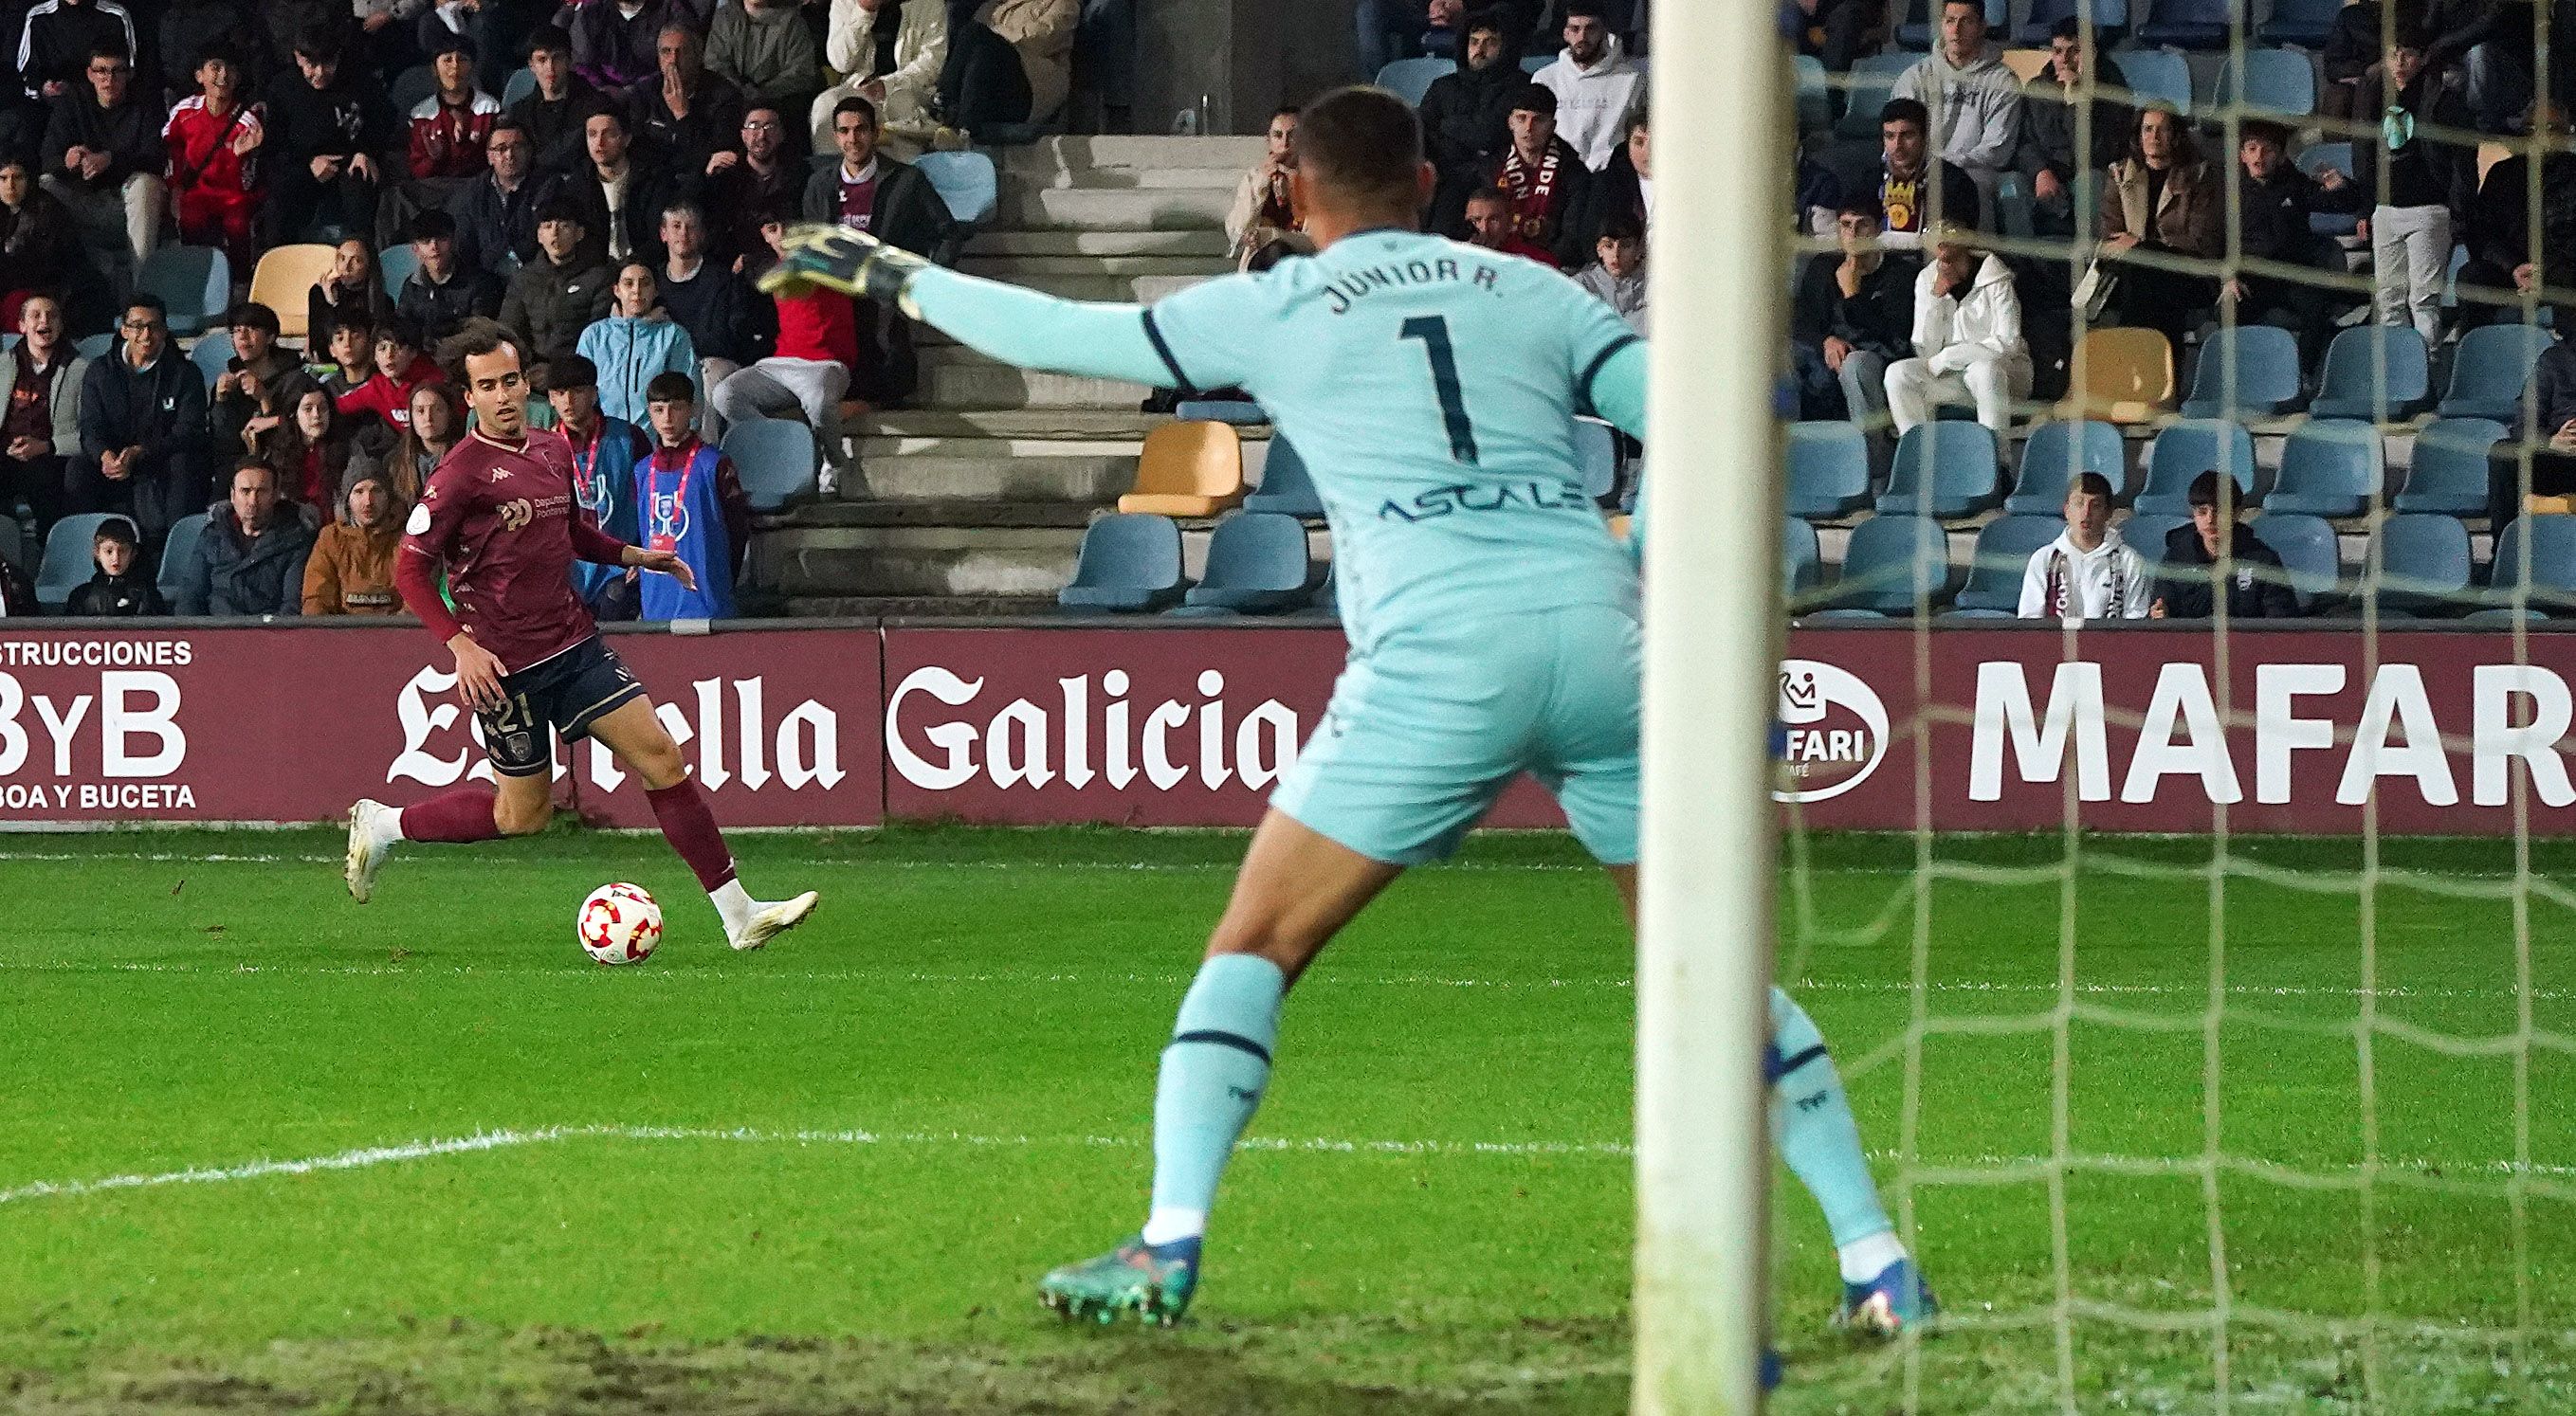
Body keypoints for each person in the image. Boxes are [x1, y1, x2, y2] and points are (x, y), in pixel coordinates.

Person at [757, 82, 1934, 1337]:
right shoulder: (1533, 289)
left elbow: (1056, 333)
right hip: (1603, 639)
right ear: (1427, 184)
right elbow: (1707, 427)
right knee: (1702, 968)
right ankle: (1876, 1259)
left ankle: (1167, 1243)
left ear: (1293, 194)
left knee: (1253, 945)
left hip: (1437, 657)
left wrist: (889, 273)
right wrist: (1645, 551)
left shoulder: (1277, 302)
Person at [341, 318, 819, 955]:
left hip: (573, 643)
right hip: (504, 668)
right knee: (523, 817)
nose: (506, 394)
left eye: (512, 380)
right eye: (489, 386)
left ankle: (739, 915)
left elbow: (570, 533)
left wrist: (632, 555)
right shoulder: (458, 475)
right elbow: (409, 568)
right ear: (470, 397)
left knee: (662, 759)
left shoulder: (550, 448)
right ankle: (386, 823)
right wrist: (460, 644)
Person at [799, 95, 954, 402]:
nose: (852, 139)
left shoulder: (907, 180)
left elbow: (947, 232)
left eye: (860, 130)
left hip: (886, 287)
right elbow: (811, 240)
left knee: (884, 346)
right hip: (838, 289)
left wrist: (932, 279)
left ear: (876, 133)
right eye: (844, 131)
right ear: (835, 136)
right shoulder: (820, 185)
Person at [2354, 26, 2476, 345]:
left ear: (2422, 59)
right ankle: (2397, 373)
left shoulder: (2444, 99)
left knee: (2423, 301)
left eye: (2407, 54)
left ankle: (2428, 368)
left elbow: (2463, 161)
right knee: (2388, 301)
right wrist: (2366, 207)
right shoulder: (2372, 95)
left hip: (2428, 209)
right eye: (2393, 53)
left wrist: (2457, 210)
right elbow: (2363, 154)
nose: (2399, 61)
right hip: (2386, 209)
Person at [2224, 119, 2366, 369]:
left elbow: (2347, 203)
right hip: (2252, 278)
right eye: (2252, 149)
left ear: (2279, 156)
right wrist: (2228, 277)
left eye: (2267, 150)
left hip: (2293, 275)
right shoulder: (2229, 192)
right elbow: (2218, 241)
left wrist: (2340, 186)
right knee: (2227, 310)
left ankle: (2302, 376)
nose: (2259, 156)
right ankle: (2240, 378)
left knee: (2317, 307)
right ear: (2242, 155)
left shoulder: (2295, 185)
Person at [72, 294, 209, 542]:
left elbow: (189, 431)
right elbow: (90, 427)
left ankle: (175, 547)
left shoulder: (185, 374)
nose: (146, 335)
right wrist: (104, 455)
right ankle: (86, 548)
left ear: (165, 331)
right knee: (78, 470)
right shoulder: (100, 371)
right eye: (137, 326)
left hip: (160, 459)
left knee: (185, 462)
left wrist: (140, 452)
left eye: (154, 327)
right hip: (113, 464)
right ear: (124, 330)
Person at [1884, 227, 2029, 435]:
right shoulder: (1927, 278)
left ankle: (1997, 459)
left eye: (1949, 230)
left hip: (2005, 377)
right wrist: (1936, 298)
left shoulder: (1996, 277)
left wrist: (1949, 357)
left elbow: (2008, 344)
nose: (1941, 237)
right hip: (1951, 378)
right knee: (1898, 374)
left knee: (1984, 370)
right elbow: (1926, 351)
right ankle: (1916, 454)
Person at [264, 27, 401, 245]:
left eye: (327, 64)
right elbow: (276, 144)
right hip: (304, 165)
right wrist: (308, 163)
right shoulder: (282, 88)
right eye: (311, 65)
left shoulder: (359, 80)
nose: (319, 73)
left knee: (362, 186)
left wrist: (366, 151)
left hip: (350, 162)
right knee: (278, 201)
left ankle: (363, 262)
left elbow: (384, 120)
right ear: (298, 58)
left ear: (337, 57)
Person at [714, 222, 858, 427]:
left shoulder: (828, 265)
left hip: (825, 365)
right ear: (765, 236)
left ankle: (836, 460)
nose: (782, 236)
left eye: (788, 229)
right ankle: (781, 442)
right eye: (773, 230)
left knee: (817, 402)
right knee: (724, 394)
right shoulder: (772, 272)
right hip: (781, 364)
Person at [40, 43, 165, 268]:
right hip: (84, 198)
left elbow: (155, 158)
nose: (109, 79)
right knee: (46, 184)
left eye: (117, 70)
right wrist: (68, 161)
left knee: (146, 183)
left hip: (126, 199)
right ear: (90, 74)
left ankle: (142, 291)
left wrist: (110, 159)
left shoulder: (144, 105)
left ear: (129, 74)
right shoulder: (73, 102)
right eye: (101, 70)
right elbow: (47, 157)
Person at [632, 371, 745, 620]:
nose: (668, 418)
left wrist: (724, 579)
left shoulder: (714, 464)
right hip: (657, 600)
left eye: (677, 408)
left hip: (706, 597)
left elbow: (737, 531)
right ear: (649, 413)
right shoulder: (641, 470)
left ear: (693, 410)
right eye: (659, 409)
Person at [1791, 201, 1912, 431]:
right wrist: (1825, 341)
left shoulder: (1900, 274)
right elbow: (1801, 319)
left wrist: (1852, 297)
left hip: (1875, 359)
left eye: (1862, 225)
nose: (1853, 233)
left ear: (1877, 229)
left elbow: (1896, 342)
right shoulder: (1823, 266)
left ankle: (1869, 460)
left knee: (1854, 365)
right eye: (1846, 225)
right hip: (1825, 359)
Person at [2454, 102, 2576, 328]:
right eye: (2531, 129)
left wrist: (2547, 270)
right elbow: (2481, 233)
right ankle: (2477, 351)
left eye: (2549, 127)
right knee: (2472, 277)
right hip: (2512, 271)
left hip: (2562, 272)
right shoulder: (2502, 175)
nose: (2540, 136)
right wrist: (2513, 265)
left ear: (2566, 131)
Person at [545, 353, 650, 614]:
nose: (568, 401)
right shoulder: (541, 449)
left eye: (578, 391)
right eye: (560, 392)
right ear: (551, 398)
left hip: (619, 568)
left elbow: (652, 500)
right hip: (566, 572)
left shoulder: (628, 438)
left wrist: (644, 556)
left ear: (594, 394)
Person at [1892, 0, 2021, 209]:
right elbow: (1897, 132)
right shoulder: (1915, 77)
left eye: (1966, 21)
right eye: (1950, 21)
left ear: (1982, 27)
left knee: (1965, 188)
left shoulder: (2002, 80)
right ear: (1941, 25)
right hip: (1918, 168)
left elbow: (1997, 149)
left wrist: (1943, 165)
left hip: (1974, 172)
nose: (1956, 30)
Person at [2011, 17, 2129, 239]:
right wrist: (2040, 171)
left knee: (2091, 181)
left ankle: (2091, 263)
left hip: (2087, 172)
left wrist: (2077, 96)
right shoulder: (2037, 88)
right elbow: (2023, 141)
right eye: (2057, 51)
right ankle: (2022, 265)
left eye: (2074, 51)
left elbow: (2095, 152)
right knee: (2012, 184)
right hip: (2045, 173)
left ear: (2091, 53)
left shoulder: (2112, 88)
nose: (2064, 59)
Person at [656, 199, 765, 423]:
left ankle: (704, 452)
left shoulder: (722, 279)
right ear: (663, 234)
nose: (684, 234)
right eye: (676, 226)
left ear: (702, 235)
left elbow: (727, 340)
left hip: (714, 362)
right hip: (669, 363)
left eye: (691, 227)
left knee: (706, 376)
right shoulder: (654, 282)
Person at [1417, 9, 1523, 236]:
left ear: (1505, 47)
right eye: (1474, 42)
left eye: (1490, 42)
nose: (1479, 50)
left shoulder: (1520, 85)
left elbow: (1490, 133)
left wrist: (1447, 124)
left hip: (1498, 174)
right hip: (1446, 174)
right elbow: (1420, 131)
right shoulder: (1443, 86)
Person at [174, 458, 318, 616]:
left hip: (268, 635)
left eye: (261, 491)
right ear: (233, 495)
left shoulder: (296, 539)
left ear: (276, 495)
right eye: (245, 491)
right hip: (216, 633)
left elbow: (292, 605)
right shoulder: (213, 534)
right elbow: (191, 595)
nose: (252, 501)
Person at [2148, 470, 2301, 619]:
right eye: (2202, 512)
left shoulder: (2264, 561)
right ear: (2193, 515)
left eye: (2219, 512)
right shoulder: (2175, 558)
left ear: (2236, 513)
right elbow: (2160, 609)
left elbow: (2281, 624)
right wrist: (2161, 614)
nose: (2210, 520)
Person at [162, 45, 264, 268]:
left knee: (238, 224)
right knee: (190, 218)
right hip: (197, 192)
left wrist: (240, 156)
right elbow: (171, 151)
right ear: (200, 76)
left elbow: (249, 180)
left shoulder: (248, 118)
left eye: (230, 70)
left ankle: (241, 283)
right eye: (215, 68)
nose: (223, 75)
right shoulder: (184, 111)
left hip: (235, 194)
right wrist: (175, 187)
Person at [1480, 83, 1593, 269]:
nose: (1528, 127)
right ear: (1510, 122)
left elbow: (1572, 237)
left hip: (1554, 268)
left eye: (1538, 120)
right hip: (1498, 265)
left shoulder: (1574, 172)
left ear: (1552, 126)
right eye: (1521, 118)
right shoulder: (1490, 168)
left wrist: (1542, 268)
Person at [0, 293, 85, 537]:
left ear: (60, 325)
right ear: (22, 326)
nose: (44, 321)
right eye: (35, 315)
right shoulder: (2, 366)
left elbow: (91, 432)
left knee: (46, 481)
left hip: (51, 456)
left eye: (52, 316)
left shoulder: (81, 371)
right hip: (5, 453)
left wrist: (47, 446)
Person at [809, 0, 946, 148]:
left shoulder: (930, 4)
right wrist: (864, 11)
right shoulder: (845, 2)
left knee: (899, 110)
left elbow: (931, 65)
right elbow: (841, 62)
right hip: (858, 88)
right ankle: (829, 168)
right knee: (825, 106)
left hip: (908, 91)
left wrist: (887, 85)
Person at [2017, 471, 2148, 622]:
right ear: (2066, 510)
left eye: (2096, 505)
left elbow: (2136, 622)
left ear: (2108, 512)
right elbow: (2029, 622)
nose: (2086, 513)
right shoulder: (2044, 559)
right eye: (2079, 503)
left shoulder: (2129, 561)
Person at [577, 261, 699, 425]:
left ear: (656, 290)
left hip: (658, 443)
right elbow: (580, 392)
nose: (636, 290)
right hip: (605, 440)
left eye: (645, 283)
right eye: (628, 284)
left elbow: (690, 394)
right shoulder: (594, 336)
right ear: (617, 290)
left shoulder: (673, 335)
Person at [1531, 0, 1643, 172]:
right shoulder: (1544, 78)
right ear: (1565, 33)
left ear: (1604, 33)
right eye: (1575, 29)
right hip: (1556, 174)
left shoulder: (1631, 80)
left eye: (1590, 29)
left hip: (1612, 176)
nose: (1582, 37)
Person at [501, 201, 617, 366]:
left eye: (564, 227)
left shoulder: (598, 277)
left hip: (579, 370)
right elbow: (510, 331)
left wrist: (556, 372)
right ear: (539, 235)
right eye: (547, 227)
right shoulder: (523, 278)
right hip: (531, 371)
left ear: (579, 233)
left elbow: (598, 336)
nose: (555, 234)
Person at [626, 22, 743, 179]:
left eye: (683, 51)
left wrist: (682, 114)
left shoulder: (726, 96)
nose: (673, 59)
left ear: (698, 56)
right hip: (655, 180)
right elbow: (636, 150)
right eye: (666, 52)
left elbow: (715, 158)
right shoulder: (643, 92)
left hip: (702, 182)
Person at [942, 0, 1077, 136]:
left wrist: (995, 36)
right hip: (991, 85)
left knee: (982, 40)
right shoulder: (994, 5)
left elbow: (1039, 41)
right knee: (975, 41)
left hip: (1029, 87)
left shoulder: (1064, 5)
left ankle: (959, 125)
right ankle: (947, 113)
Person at [448, 118, 552, 277]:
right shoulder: (472, 193)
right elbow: (464, 246)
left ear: (529, 151)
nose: (510, 155)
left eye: (517, 147)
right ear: (489, 156)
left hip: (537, 279)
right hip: (485, 281)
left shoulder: (549, 185)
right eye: (501, 149)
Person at [209, 302, 315, 456]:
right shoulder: (229, 384)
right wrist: (221, 400)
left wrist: (264, 399)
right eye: (237, 330)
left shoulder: (296, 381)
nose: (242, 337)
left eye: (251, 329)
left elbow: (290, 442)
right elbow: (222, 443)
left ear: (270, 337)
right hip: (238, 469)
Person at [1874, 98, 1979, 249]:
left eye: (1907, 135)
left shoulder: (1955, 182)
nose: (1897, 146)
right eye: (1890, 136)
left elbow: (1956, 246)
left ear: (1925, 137)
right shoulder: (1872, 179)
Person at [708, 103, 805, 266]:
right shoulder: (726, 176)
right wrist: (706, 175)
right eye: (754, 126)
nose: (761, 135)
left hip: (781, 264)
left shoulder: (799, 176)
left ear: (781, 134)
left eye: (769, 126)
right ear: (743, 134)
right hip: (733, 269)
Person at [302, 466, 408, 614]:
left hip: (397, 633)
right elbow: (316, 598)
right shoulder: (331, 538)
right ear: (347, 499)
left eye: (376, 491)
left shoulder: (406, 538)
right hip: (342, 633)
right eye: (359, 492)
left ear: (389, 497)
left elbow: (417, 598)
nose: (368, 501)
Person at [397, 209, 507, 341]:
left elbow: (479, 336)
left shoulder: (481, 284)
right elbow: (402, 332)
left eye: (441, 238)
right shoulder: (411, 286)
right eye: (426, 241)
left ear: (454, 241)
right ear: (416, 250)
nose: (434, 246)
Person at [508, 26, 603, 176]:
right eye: (542, 59)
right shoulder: (519, 112)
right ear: (531, 65)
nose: (550, 67)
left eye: (557, 58)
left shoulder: (595, 106)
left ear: (569, 60)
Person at [337, 316, 448, 439]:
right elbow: (339, 406)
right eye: (382, 348)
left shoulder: (436, 382)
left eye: (397, 347)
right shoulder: (376, 388)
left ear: (413, 352)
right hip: (411, 451)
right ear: (374, 356)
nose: (389, 355)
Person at [705, 0, 822, 116]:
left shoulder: (793, 22)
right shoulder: (724, 18)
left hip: (778, 106)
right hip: (730, 102)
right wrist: (741, 92)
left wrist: (761, 95)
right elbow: (716, 64)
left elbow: (801, 72)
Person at [1225, 106, 1307, 269]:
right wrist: (1261, 184)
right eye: (1278, 136)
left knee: (1279, 252)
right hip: (1262, 260)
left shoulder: (1317, 181)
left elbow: (1318, 240)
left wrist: (1271, 235)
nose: (1284, 144)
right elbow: (1236, 230)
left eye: (1292, 136)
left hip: (1305, 259)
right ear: (1269, 142)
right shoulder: (1254, 178)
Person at [15, 0, 138, 105]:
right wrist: (43, 88)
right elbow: (26, 73)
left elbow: (129, 72)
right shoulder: (38, 17)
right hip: (50, 108)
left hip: (103, 109)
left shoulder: (116, 16)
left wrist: (77, 91)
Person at [258, 383, 361, 506]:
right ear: (294, 415)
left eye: (322, 408)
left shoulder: (348, 450)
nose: (316, 415)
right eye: (308, 409)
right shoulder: (278, 454)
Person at [63, 515, 165, 614]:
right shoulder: (81, 596)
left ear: (133, 554)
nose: (116, 558)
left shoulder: (147, 596)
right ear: (97, 553)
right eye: (108, 551)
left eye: (123, 551)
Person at [565, 0, 670, 92]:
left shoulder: (669, 10)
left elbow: (674, 64)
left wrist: (634, 92)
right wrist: (603, 90)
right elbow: (582, 65)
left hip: (657, 95)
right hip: (602, 98)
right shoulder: (591, 11)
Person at [310, 238, 396, 345]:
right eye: (342, 258)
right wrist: (330, 302)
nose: (346, 267)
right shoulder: (319, 293)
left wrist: (335, 306)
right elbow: (321, 346)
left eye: (356, 260)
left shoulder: (384, 302)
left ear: (369, 266)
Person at [1571, 212, 1645, 334]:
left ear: (1638, 249)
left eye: (1625, 245)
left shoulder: (1655, 288)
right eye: (1608, 246)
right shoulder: (1579, 286)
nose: (1616, 254)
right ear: (1599, 250)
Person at [1459, 184, 1553, 263]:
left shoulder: (1538, 262)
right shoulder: (1455, 260)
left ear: (1510, 221)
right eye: (1476, 220)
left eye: (1494, 220)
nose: (1484, 229)